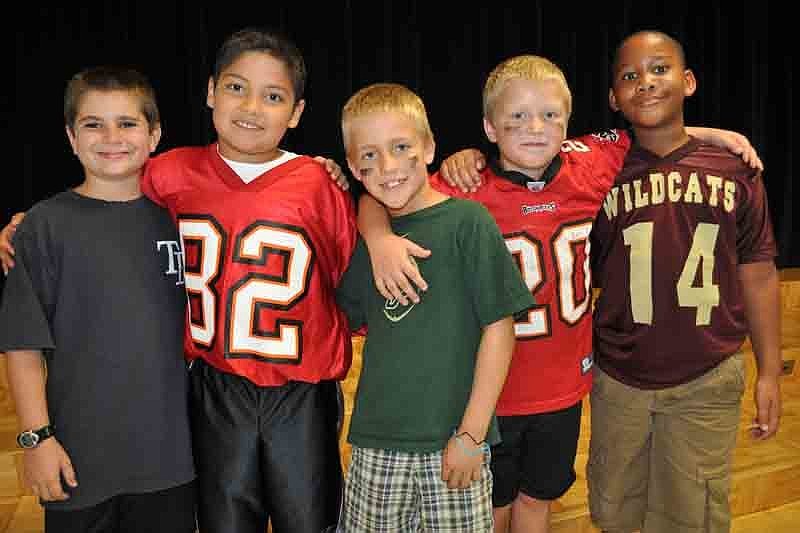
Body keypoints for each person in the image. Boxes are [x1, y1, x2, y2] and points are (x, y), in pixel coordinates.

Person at [356, 54, 763, 533]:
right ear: (490, 129)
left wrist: (712, 135)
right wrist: (377, 234)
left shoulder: (586, 165)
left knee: (538, 499)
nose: (535, 128)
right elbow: (382, 191)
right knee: (491, 506)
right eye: (517, 118)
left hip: (564, 387)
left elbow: (650, 132)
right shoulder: (467, 186)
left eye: (550, 115)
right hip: (490, 394)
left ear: (568, 123)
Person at [1, 27, 356, 533]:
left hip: (299, 391)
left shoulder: (320, 183)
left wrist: (377, 223)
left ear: (297, 111)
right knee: (223, 519)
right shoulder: (167, 172)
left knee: (309, 519)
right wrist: (25, 225)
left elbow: (352, 274)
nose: (251, 106)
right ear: (211, 91)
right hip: (213, 385)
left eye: (273, 95)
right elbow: (100, 197)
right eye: (236, 87)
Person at [586, 30, 781, 533]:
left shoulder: (736, 169)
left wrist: (769, 372)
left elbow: (758, 274)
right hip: (619, 376)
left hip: (705, 377)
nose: (645, 83)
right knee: (613, 509)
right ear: (613, 98)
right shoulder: (596, 173)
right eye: (629, 76)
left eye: (659, 69)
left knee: (692, 516)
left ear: (688, 81)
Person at [0, 66, 196, 533]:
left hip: (170, 459)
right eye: (93, 124)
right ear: (71, 137)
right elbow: (22, 347)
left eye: (127, 123)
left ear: (154, 134)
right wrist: (37, 439)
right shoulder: (43, 228)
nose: (112, 137)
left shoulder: (186, 220)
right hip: (76, 457)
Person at [335, 82, 535, 532]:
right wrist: (372, 231)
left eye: (400, 146)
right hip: (376, 444)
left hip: (455, 443)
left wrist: (471, 435)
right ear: (353, 166)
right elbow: (342, 318)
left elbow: (499, 330)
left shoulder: (468, 222)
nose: (386, 167)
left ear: (428, 148)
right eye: (368, 156)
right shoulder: (369, 241)